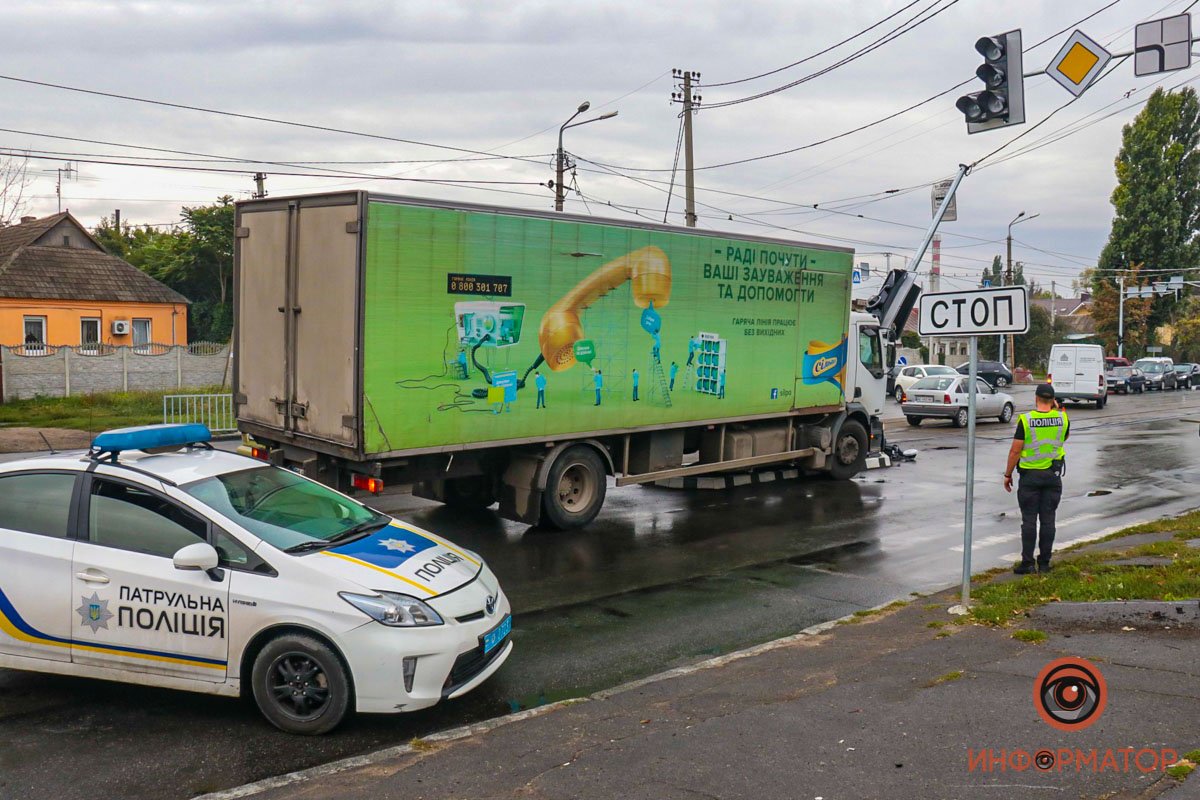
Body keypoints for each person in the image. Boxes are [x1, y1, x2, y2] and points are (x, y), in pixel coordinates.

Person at [1003, 383, 1069, 574]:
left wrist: (1008, 474)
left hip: (1030, 477)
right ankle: (1045, 563)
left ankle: (1028, 563)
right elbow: (1064, 437)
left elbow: (1015, 450)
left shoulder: (1026, 420)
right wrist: (1056, 410)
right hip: (1053, 476)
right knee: (1049, 520)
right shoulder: (1063, 418)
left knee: (1029, 520)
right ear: (1053, 400)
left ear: (1036, 398)